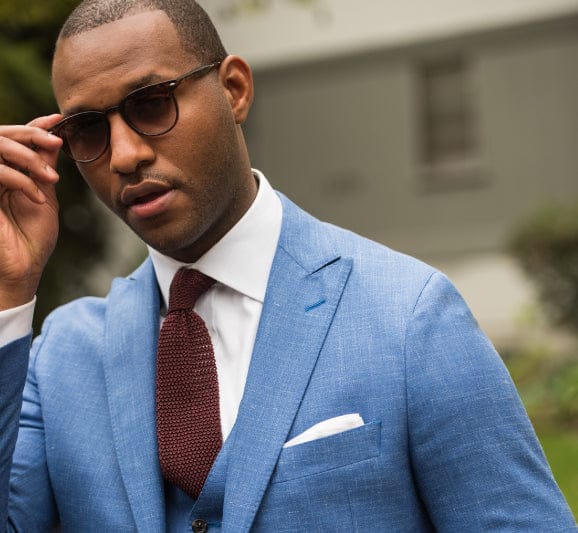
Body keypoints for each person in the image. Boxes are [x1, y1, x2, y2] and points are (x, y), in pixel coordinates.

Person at [0, 0, 575, 530]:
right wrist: (8, 289)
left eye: (152, 104)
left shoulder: (409, 317)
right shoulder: (62, 357)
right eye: (88, 129)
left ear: (234, 90)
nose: (125, 155)